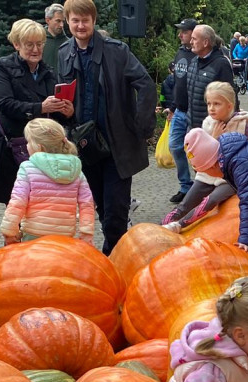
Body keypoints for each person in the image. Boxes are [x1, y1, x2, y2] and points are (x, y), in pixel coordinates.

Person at [56, 0, 156, 255]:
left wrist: (141, 127)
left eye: (85, 20)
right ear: (68, 21)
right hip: (86, 144)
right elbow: (66, 94)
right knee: (100, 206)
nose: (80, 25)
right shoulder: (64, 52)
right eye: (75, 20)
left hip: (116, 144)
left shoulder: (117, 51)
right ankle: (114, 255)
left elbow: (145, 84)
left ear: (93, 20)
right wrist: (66, 113)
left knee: (115, 211)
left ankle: (115, 260)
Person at [0, 19, 74, 206]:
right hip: (11, 148)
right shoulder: (2, 67)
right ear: (16, 44)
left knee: (41, 206)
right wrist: (40, 107)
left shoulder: (48, 72)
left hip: (42, 151)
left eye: (39, 44)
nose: (36, 49)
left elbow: (54, 115)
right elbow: (5, 104)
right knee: (16, 206)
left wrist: (67, 112)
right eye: (29, 44)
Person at [162, 81, 248, 233]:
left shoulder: (243, 125)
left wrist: (217, 141)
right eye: (209, 103)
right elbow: (200, 155)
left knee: (212, 200)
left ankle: (180, 225)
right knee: (187, 201)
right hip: (208, 174)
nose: (211, 108)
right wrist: (214, 137)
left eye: (217, 104)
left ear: (229, 105)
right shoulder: (208, 123)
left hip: (230, 178)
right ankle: (162, 226)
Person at [183, 128, 248, 252]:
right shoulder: (228, 158)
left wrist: (246, 240)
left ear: (212, 166)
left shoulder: (239, 164)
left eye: (206, 172)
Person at [0, 118, 93, 244]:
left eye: (28, 142)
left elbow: (17, 202)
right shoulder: (76, 171)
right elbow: (87, 204)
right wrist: (86, 234)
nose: (26, 145)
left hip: (33, 235)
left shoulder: (27, 168)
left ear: (39, 147)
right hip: (65, 237)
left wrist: (9, 232)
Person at [165, 18, 197, 203]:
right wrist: (172, 107)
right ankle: (186, 186)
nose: (180, 34)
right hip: (179, 111)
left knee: (197, 152)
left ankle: (202, 188)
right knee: (175, 147)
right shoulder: (179, 53)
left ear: (194, 33)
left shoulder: (199, 55)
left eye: (184, 31)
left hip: (196, 112)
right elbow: (178, 83)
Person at [185, 25, 235, 131]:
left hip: (212, 129)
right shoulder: (193, 62)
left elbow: (231, 98)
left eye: (194, 39)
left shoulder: (221, 65)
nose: (191, 42)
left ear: (205, 42)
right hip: (192, 128)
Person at [42, 3, 66, 71]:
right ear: (48, 20)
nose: (61, 25)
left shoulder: (68, 43)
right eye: (58, 21)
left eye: (63, 21)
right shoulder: (38, 42)